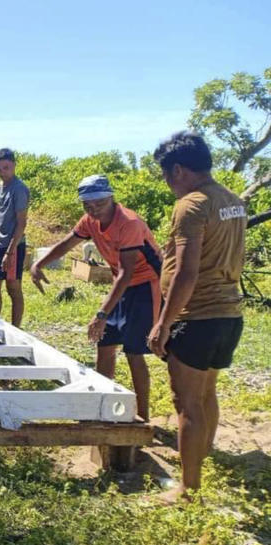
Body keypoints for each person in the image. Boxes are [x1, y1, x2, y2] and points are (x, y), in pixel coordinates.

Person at [146, 131, 247, 503]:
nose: (168, 184)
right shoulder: (232, 200)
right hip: (228, 313)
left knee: (185, 401)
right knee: (206, 394)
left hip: (198, 315)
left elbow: (186, 273)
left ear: (177, 170)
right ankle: (198, 460)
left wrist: (164, 322)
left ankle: (188, 488)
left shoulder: (191, 205)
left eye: (166, 175)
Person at [30, 175, 162, 422]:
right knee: (105, 344)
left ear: (111, 198)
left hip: (145, 285)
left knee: (134, 351)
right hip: (120, 285)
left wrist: (101, 314)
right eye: (87, 206)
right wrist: (39, 263)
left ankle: (143, 416)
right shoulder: (90, 220)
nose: (93, 210)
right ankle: (103, 405)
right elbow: (66, 244)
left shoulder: (129, 223)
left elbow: (127, 272)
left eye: (99, 204)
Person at [0, 148, 30, 327]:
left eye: (6, 167)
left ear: (14, 165)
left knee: (13, 287)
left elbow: (21, 223)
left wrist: (10, 253)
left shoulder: (19, 189)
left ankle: (16, 330)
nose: (2, 172)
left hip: (13, 245)